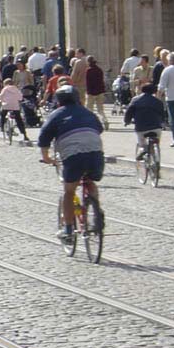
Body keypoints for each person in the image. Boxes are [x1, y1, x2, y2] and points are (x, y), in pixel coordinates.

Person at [39, 85, 105, 240]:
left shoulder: (57, 114)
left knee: (69, 191)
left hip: (73, 156)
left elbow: (44, 137)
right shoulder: (88, 112)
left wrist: (46, 156)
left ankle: (68, 230)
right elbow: (99, 129)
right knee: (90, 179)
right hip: (96, 153)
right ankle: (96, 209)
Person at [125, 83, 166, 159]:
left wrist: (127, 121)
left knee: (141, 141)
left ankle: (143, 149)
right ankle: (155, 155)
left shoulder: (135, 100)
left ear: (141, 90)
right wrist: (163, 123)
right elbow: (162, 114)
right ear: (154, 91)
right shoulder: (158, 102)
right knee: (156, 139)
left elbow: (129, 112)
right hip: (156, 127)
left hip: (141, 127)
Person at [0, 78, 30, 142]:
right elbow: (20, 97)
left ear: (5, 84)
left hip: (6, 105)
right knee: (19, 120)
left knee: (3, 115)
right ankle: (24, 135)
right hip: (15, 106)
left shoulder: (5, 89)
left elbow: (0, 97)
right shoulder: (16, 89)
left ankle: (2, 127)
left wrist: (0, 100)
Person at [85, 56, 108, 128]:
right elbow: (101, 81)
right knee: (100, 109)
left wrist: (87, 91)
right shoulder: (99, 70)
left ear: (88, 62)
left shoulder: (88, 70)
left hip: (91, 92)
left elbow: (87, 82)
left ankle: (90, 123)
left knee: (89, 109)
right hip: (100, 91)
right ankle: (105, 120)